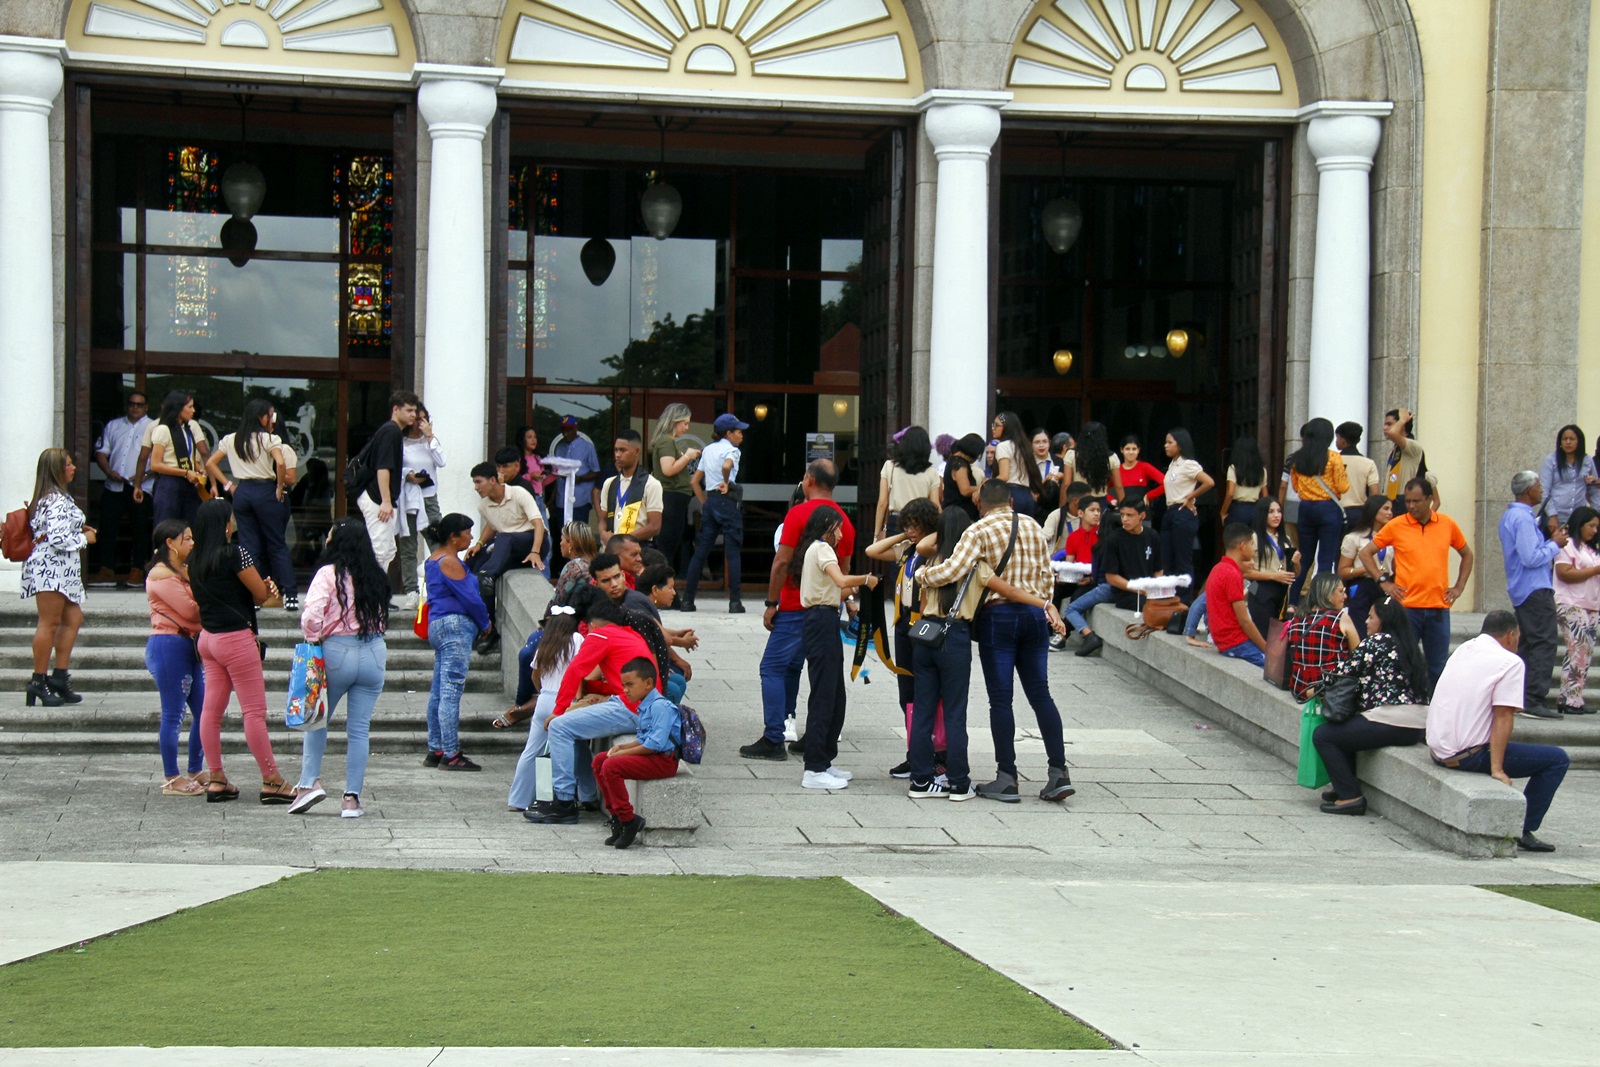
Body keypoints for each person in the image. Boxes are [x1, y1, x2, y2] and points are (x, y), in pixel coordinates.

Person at [916, 478, 1073, 803]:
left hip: (998, 619)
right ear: (1011, 503)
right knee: (1041, 694)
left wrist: (921, 576)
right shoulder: (1031, 526)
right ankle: (1058, 772)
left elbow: (953, 570)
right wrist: (1044, 605)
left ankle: (1007, 777)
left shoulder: (979, 530)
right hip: (1033, 615)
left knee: (1001, 699)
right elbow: (1047, 574)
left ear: (980, 505)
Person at [1426, 611, 1570, 852]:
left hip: (1437, 749)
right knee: (1557, 760)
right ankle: (1522, 828)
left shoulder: (1464, 649)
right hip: (1465, 755)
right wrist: (1497, 770)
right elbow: (1503, 716)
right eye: (1518, 637)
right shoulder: (1510, 662)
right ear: (1511, 635)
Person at [742, 459, 854, 760]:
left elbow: (781, 562)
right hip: (827, 609)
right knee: (821, 675)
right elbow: (843, 573)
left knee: (773, 668)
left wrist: (771, 602)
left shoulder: (798, 513)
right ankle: (813, 738)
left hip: (793, 604)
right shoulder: (846, 521)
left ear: (808, 480)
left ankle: (773, 738)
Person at [525, 588, 664, 825]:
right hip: (645, 707)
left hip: (630, 709)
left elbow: (575, 671)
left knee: (559, 727)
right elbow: (621, 683)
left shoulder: (600, 635)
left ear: (591, 624)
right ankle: (587, 794)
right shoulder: (631, 635)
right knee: (573, 730)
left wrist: (559, 710)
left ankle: (564, 803)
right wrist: (593, 693)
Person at [189, 497, 292, 804]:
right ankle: (271, 779)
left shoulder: (194, 559)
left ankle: (217, 778)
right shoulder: (236, 554)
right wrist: (269, 588)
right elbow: (260, 594)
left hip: (208, 639)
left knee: (210, 712)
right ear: (225, 525)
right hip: (236, 639)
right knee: (254, 712)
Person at [287, 518, 390, 819]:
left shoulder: (328, 573)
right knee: (359, 729)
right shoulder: (377, 574)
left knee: (316, 719)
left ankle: (309, 784)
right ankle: (352, 799)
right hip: (374, 651)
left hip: (336, 650)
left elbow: (311, 615)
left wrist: (313, 638)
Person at [1311, 595, 1431, 815]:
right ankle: (1343, 785)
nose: (1366, 622)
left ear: (1383, 620)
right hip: (1415, 727)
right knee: (1346, 728)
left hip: (1389, 720)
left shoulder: (1376, 642)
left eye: (1370, 617)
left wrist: (1312, 688)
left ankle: (1351, 797)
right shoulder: (1409, 645)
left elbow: (1343, 673)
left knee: (1324, 735)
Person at [793, 507, 880, 790]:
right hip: (820, 621)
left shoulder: (815, 550)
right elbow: (842, 581)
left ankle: (825, 761)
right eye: (838, 529)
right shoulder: (822, 549)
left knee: (834, 695)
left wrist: (856, 595)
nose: (841, 535)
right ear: (826, 528)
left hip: (825, 619)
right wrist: (865, 580)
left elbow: (837, 590)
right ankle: (814, 768)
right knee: (824, 696)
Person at [1360, 478, 1472, 693]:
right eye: (1408, 501)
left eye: (1417, 501)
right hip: (1407, 608)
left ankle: (1434, 714)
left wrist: (1459, 587)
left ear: (1430, 499)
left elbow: (1467, 554)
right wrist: (1383, 581)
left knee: (1437, 667)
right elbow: (1366, 553)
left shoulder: (1447, 524)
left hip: (1438, 609)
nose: (1411, 506)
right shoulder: (1397, 524)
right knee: (1404, 662)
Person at [865, 496, 943, 777]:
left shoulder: (935, 549)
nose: (912, 531)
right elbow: (872, 550)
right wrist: (901, 534)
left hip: (925, 625)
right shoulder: (907, 550)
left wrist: (926, 535)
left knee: (929, 692)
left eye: (916, 525)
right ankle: (915, 752)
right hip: (902, 626)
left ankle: (937, 753)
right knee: (906, 692)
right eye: (908, 525)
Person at [904, 507, 978, 799]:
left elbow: (922, 547)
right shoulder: (974, 563)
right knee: (955, 714)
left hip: (926, 637)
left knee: (923, 711)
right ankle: (958, 782)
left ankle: (920, 780)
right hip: (955, 636)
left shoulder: (929, 561)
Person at [205, 398, 298, 611]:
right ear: (261, 417)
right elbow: (281, 462)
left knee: (249, 545)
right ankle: (290, 594)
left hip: (243, 491)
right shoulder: (269, 439)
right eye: (270, 414)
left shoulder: (232, 439)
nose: (272, 419)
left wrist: (229, 485)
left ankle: (254, 594)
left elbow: (210, 462)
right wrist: (279, 485)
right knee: (276, 543)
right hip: (265, 489)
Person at [21, 448, 94, 707]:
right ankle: (38, 681)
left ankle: (59, 676)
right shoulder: (55, 500)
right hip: (51, 568)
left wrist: (77, 527)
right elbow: (58, 539)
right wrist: (85, 538)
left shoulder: (53, 498)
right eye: (69, 464)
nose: (73, 468)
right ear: (56, 470)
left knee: (73, 617)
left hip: (59, 569)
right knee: (49, 623)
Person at [422, 513, 490, 771]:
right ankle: (451, 753)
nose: (471, 537)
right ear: (453, 536)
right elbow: (471, 598)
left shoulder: (433, 559)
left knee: (438, 691)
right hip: (455, 626)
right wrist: (485, 623)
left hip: (438, 625)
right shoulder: (450, 561)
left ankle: (435, 748)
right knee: (451, 692)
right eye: (467, 532)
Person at [591, 657, 682, 849]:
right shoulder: (646, 705)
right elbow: (643, 739)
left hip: (663, 761)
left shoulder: (660, 706)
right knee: (600, 760)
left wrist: (621, 756)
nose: (625, 690)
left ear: (648, 683)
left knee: (612, 766)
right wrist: (622, 748)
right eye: (624, 685)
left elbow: (655, 744)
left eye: (630, 685)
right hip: (652, 756)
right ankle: (616, 816)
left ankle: (628, 820)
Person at [501, 603, 584, 812]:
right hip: (567, 701)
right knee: (573, 749)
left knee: (531, 750)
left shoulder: (545, 643)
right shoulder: (577, 640)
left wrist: (543, 691)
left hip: (545, 698)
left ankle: (518, 799)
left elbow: (535, 674)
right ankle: (580, 795)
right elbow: (580, 671)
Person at [1497, 470, 1567, 717]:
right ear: (1528, 490)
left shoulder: (1514, 516)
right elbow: (1530, 557)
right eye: (1538, 485)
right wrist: (1554, 544)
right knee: (1544, 642)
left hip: (1524, 588)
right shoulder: (1522, 518)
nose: (1541, 489)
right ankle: (1534, 698)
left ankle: (1522, 696)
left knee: (1528, 643)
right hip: (1533, 587)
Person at [143, 518, 205, 796]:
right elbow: (191, 611)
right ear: (170, 543)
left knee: (204, 712)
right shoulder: (160, 575)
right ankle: (172, 777)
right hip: (168, 645)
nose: (192, 544)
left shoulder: (184, 570)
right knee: (174, 714)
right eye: (187, 539)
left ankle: (195, 769)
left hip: (189, 646)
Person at [465, 460, 547, 654]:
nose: (476, 488)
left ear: (492, 480)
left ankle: (489, 573)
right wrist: (478, 544)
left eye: (479, 482)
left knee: (504, 539)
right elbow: (492, 525)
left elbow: (538, 524)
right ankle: (488, 628)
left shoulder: (518, 493)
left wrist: (535, 551)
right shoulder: (484, 506)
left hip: (531, 542)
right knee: (474, 567)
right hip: (506, 547)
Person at [680, 413, 747, 613]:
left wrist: (705, 502)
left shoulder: (708, 450)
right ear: (728, 433)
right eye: (738, 431)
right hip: (728, 501)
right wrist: (726, 482)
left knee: (701, 551)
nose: (741, 435)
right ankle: (735, 602)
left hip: (711, 502)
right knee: (733, 552)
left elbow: (694, 481)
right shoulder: (732, 450)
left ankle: (688, 600)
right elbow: (727, 465)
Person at [90, 390, 154, 588]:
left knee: (140, 530)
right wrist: (109, 471)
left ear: (146, 407)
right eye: (132, 404)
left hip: (141, 486)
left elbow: (160, 457)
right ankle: (106, 570)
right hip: (114, 485)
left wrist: (144, 475)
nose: (135, 407)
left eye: (139, 404)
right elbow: (101, 451)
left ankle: (137, 570)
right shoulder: (113, 425)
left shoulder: (154, 427)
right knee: (108, 527)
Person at [1285, 418, 1349, 605]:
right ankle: (1322, 602)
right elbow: (1343, 487)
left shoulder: (1297, 458)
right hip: (1328, 508)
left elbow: (1296, 488)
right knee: (1326, 560)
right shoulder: (1334, 458)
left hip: (1306, 509)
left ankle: (1293, 602)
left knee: (1304, 558)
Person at [355, 390, 420, 573]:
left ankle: (376, 597)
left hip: (379, 497)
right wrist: (385, 501)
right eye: (409, 410)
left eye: (414, 411)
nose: (413, 415)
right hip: (377, 498)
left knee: (388, 549)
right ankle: (371, 598)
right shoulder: (391, 431)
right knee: (380, 551)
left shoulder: (390, 431)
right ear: (396, 409)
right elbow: (382, 467)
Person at [397, 404, 446, 612]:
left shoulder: (431, 441)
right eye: (416, 418)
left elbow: (442, 461)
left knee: (437, 541)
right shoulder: (400, 441)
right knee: (408, 545)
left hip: (428, 496)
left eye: (423, 418)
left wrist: (430, 437)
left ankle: (440, 588)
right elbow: (393, 465)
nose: (419, 422)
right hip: (408, 497)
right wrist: (408, 474)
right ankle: (411, 591)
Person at [1553, 505, 1600, 715]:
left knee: (1585, 651)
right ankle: (1568, 698)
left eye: (1597, 527)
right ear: (1580, 524)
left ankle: (1573, 696)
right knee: (1577, 648)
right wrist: (1595, 570)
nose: (1594, 531)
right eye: (1591, 526)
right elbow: (1565, 573)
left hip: (1591, 604)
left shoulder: (1592, 549)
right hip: (1570, 603)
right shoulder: (1567, 545)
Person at [1204, 523, 1272, 667]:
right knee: (1273, 669)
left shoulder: (1217, 568)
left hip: (1223, 642)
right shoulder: (1232, 573)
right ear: (1242, 545)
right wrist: (1267, 649)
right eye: (1252, 544)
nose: (1254, 549)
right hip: (1236, 643)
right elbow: (1244, 621)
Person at [1284, 572, 1359, 699]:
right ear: (1328, 593)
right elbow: (1358, 655)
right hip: (1328, 691)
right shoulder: (1340, 618)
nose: (1345, 596)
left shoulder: (1297, 619)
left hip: (1299, 687)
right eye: (1341, 591)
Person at [145, 391, 211, 527]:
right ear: (178, 407)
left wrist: (199, 469)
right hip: (169, 484)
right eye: (190, 407)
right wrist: (185, 473)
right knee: (168, 527)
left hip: (188, 485)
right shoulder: (163, 429)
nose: (193, 410)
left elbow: (189, 457)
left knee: (189, 528)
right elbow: (155, 465)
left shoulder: (187, 429)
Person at [1159, 428, 1213, 595]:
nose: (1165, 446)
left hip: (1182, 512)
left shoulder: (1188, 464)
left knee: (1183, 560)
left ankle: (1184, 601)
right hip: (1170, 512)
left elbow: (1209, 482)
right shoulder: (1173, 464)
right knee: (1168, 559)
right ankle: (1169, 596)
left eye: (1170, 442)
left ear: (1180, 445)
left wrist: (1190, 497)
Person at [648, 404, 701, 574]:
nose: (687, 427)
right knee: (667, 547)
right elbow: (668, 469)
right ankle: (663, 586)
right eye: (684, 423)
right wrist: (688, 456)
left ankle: (665, 586)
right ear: (674, 421)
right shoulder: (666, 441)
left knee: (670, 547)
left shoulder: (667, 442)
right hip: (670, 501)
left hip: (674, 501)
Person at [1061, 497, 1114, 657]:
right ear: (1080, 513)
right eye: (1093, 510)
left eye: (1099, 511)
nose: (1096, 514)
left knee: (1074, 602)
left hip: (1097, 582)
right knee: (1056, 590)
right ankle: (1052, 629)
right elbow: (1070, 563)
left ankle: (1065, 635)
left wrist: (1090, 579)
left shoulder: (1102, 540)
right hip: (1082, 577)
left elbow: (1100, 575)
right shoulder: (1074, 536)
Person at [1338, 495, 1394, 639]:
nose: (1390, 513)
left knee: (1384, 632)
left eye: (1391, 509)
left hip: (1385, 586)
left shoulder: (1393, 538)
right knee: (1361, 632)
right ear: (1373, 511)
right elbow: (1342, 571)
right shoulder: (1354, 538)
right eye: (1385, 509)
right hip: (1362, 586)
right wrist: (1367, 569)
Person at [597, 429, 664, 545]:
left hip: (637, 548)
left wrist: (623, 540)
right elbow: (603, 518)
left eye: (623, 450)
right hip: (612, 548)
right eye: (616, 450)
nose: (617, 455)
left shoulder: (651, 484)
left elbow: (655, 526)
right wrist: (603, 534)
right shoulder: (609, 483)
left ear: (637, 452)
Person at [873, 425, 940, 540]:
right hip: (921, 523)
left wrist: (876, 533)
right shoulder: (932, 472)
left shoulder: (890, 466)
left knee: (895, 556)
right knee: (917, 557)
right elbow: (935, 505)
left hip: (897, 520)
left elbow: (882, 503)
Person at [1246, 498, 1298, 639]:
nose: (1276, 515)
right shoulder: (1254, 537)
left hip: (1281, 590)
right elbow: (1245, 572)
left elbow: (1295, 572)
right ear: (1262, 514)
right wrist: (1274, 576)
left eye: (1279, 511)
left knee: (1278, 636)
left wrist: (1296, 562)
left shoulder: (1285, 538)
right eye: (1271, 512)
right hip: (1259, 587)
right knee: (1263, 633)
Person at [546, 413, 601, 528]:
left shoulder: (587, 447)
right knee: (564, 536)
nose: (566, 433)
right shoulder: (560, 448)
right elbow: (557, 476)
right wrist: (552, 500)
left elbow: (596, 472)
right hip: (561, 501)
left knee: (579, 536)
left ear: (576, 428)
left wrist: (580, 478)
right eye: (563, 430)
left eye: (569, 430)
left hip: (579, 500)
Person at [1539, 424, 1600, 524]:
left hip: (1578, 518)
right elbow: (1544, 490)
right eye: (1564, 439)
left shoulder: (1587, 460)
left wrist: (1596, 513)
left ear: (1579, 441)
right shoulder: (1551, 460)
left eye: (1572, 439)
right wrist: (1552, 515)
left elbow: (1594, 491)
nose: (1568, 442)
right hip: (1555, 517)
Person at [990, 411, 1044, 519]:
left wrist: (984, 485)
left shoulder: (1003, 445)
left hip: (1011, 495)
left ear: (1006, 427)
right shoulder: (1024, 447)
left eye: (996, 425)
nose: (993, 428)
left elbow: (1004, 476)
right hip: (1027, 496)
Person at [1061, 421, 1121, 509]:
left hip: (1078, 502)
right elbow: (1118, 486)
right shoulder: (1111, 457)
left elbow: (1066, 484)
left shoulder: (1072, 454)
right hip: (1101, 503)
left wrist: (1062, 509)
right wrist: (1124, 509)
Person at [1381, 407, 1435, 503]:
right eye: (1385, 424)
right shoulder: (1395, 449)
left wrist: (1402, 420)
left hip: (1405, 498)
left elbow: (1392, 433)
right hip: (1390, 499)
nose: (1385, 428)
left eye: (1389, 424)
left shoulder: (1413, 446)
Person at [1335, 422, 1380, 530]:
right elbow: (1375, 493)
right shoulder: (1368, 463)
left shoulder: (1332, 461)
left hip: (1336, 511)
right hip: (1359, 514)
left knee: (1336, 545)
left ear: (1343, 440)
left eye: (1337, 437)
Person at [1220, 435, 1266, 530]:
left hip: (1238, 509)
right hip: (1255, 509)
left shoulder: (1233, 468)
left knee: (1234, 541)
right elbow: (1265, 496)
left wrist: (1223, 512)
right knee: (1253, 542)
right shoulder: (1262, 470)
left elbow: (1230, 493)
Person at [941, 432, 984, 521]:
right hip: (961, 515)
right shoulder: (959, 465)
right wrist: (982, 486)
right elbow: (965, 490)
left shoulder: (952, 461)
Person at [1115, 436, 1166, 507]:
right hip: (1123, 512)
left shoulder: (1145, 467)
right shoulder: (1116, 470)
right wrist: (1111, 500)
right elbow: (1103, 489)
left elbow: (1166, 482)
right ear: (1121, 450)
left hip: (1141, 511)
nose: (1131, 452)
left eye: (1134, 449)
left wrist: (1149, 495)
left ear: (1138, 450)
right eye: (1127, 449)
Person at [516, 425, 551, 495]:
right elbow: (514, 480)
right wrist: (530, 476)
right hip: (526, 496)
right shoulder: (517, 458)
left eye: (535, 437)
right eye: (529, 437)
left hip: (539, 496)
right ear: (522, 439)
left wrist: (555, 473)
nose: (533, 440)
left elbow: (542, 482)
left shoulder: (537, 458)